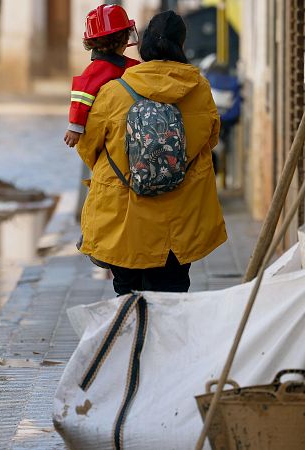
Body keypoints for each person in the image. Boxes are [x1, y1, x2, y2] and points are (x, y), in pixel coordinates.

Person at [76, 10, 227, 295]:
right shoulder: (200, 89)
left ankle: (135, 338)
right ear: (180, 46)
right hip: (180, 223)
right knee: (172, 299)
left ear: (143, 46)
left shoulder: (114, 91)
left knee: (127, 298)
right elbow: (211, 139)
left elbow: (88, 147)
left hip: (124, 220)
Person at [63, 4, 140, 148]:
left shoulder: (94, 71)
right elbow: (81, 96)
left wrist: (76, 126)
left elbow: (81, 96)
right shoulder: (133, 67)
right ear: (124, 39)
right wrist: (75, 126)